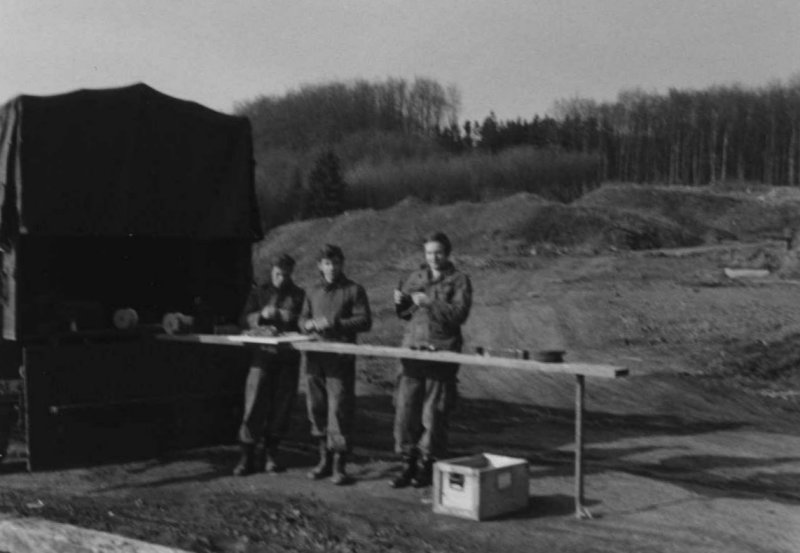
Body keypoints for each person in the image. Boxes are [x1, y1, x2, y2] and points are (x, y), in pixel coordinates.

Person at [390, 232, 472, 488]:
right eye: (428, 253)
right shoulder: (415, 277)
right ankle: (407, 462)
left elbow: (459, 314)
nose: (433, 258)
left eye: (438, 252)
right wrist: (399, 302)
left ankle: (427, 463)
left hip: (441, 350)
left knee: (434, 412)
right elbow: (405, 313)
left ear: (447, 253)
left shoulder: (459, 280)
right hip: (412, 349)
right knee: (406, 408)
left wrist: (431, 302)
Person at [299, 244, 372, 485]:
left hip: (340, 358)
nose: (332, 268)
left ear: (342, 264)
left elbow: (365, 321)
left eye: (336, 263)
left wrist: (335, 323)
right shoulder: (312, 291)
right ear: (320, 266)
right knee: (316, 407)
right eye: (327, 264)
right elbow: (302, 318)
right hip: (314, 356)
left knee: (339, 408)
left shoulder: (353, 290)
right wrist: (307, 325)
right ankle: (324, 460)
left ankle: (340, 465)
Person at [233, 253, 306, 476]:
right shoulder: (259, 292)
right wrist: (260, 315)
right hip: (262, 357)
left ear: (291, 273)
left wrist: (288, 317)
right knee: (254, 404)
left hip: (287, 359)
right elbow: (243, 319)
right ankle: (246, 456)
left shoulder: (299, 294)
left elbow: (303, 322)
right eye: (277, 274)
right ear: (271, 271)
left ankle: (271, 455)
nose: (281, 279)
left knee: (281, 407)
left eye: (286, 275)